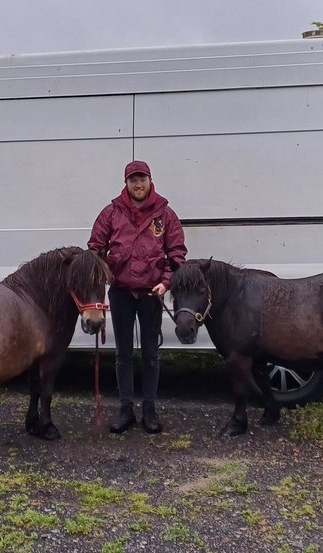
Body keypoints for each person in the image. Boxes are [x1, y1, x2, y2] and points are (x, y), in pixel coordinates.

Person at [88, 160, 187, 434]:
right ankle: (126, 410)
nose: (138, 184)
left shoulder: (165, 214)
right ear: (126, 183)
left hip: (151, 295)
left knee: (150, 354)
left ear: (150, 181)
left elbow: (176, 254)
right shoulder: (111, 213)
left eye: (142, 179)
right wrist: (103, 272)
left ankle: (150, 411)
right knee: (123, 354)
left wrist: (165, 282)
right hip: (120, 292)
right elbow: (95, 250)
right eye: (133, 180)